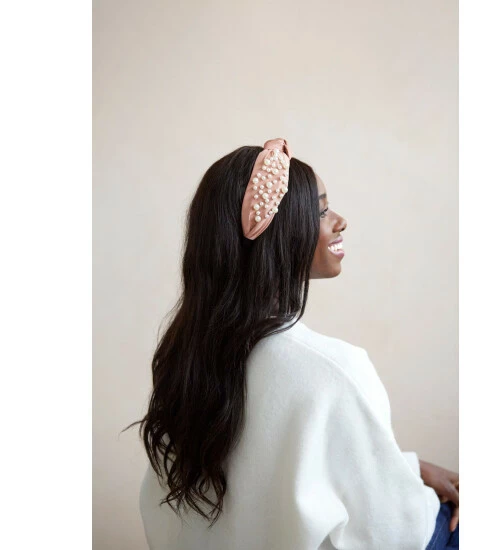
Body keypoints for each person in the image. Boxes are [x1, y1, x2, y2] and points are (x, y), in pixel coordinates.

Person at [134, 138, 459, 549]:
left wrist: (409, 469)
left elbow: (258, 480)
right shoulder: (333, 371)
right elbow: (394, 532)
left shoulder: (184, 361)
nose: (340, 221)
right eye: (321, 211)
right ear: (280, 234)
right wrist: (419, 494)